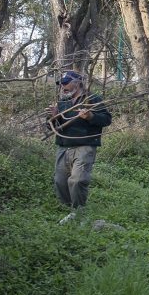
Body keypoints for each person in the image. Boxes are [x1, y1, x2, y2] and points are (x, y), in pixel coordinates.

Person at [44, 70, 112, 223]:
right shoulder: (61, 102)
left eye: (66, 82)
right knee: (60, 181)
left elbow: (107, 120)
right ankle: (69, 211)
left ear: (78, 82)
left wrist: (90, 116)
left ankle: (79, 212)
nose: (63, 86)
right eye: (61, 83)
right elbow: (52, 127)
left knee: (77, 180)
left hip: (85, 146)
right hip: (63, 146)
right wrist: (53, 116)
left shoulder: (92, 99)